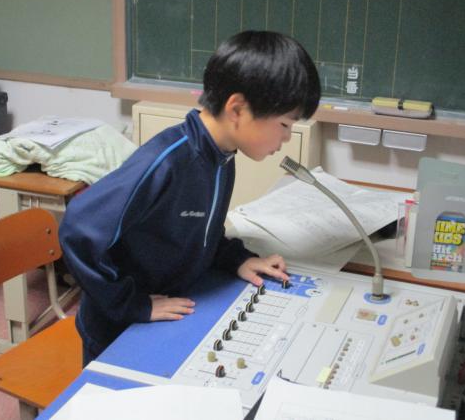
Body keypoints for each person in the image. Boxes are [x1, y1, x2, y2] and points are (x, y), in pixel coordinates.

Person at [59, 30, 321, 367]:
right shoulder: (166, 162)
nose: (286, 138)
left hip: (171, 311)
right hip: (119, 331)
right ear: (237, 109)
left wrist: (236, 259)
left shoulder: (222, 156)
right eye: (284, 124)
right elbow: (78, 229)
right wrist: (131, 303)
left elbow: (200, 231)